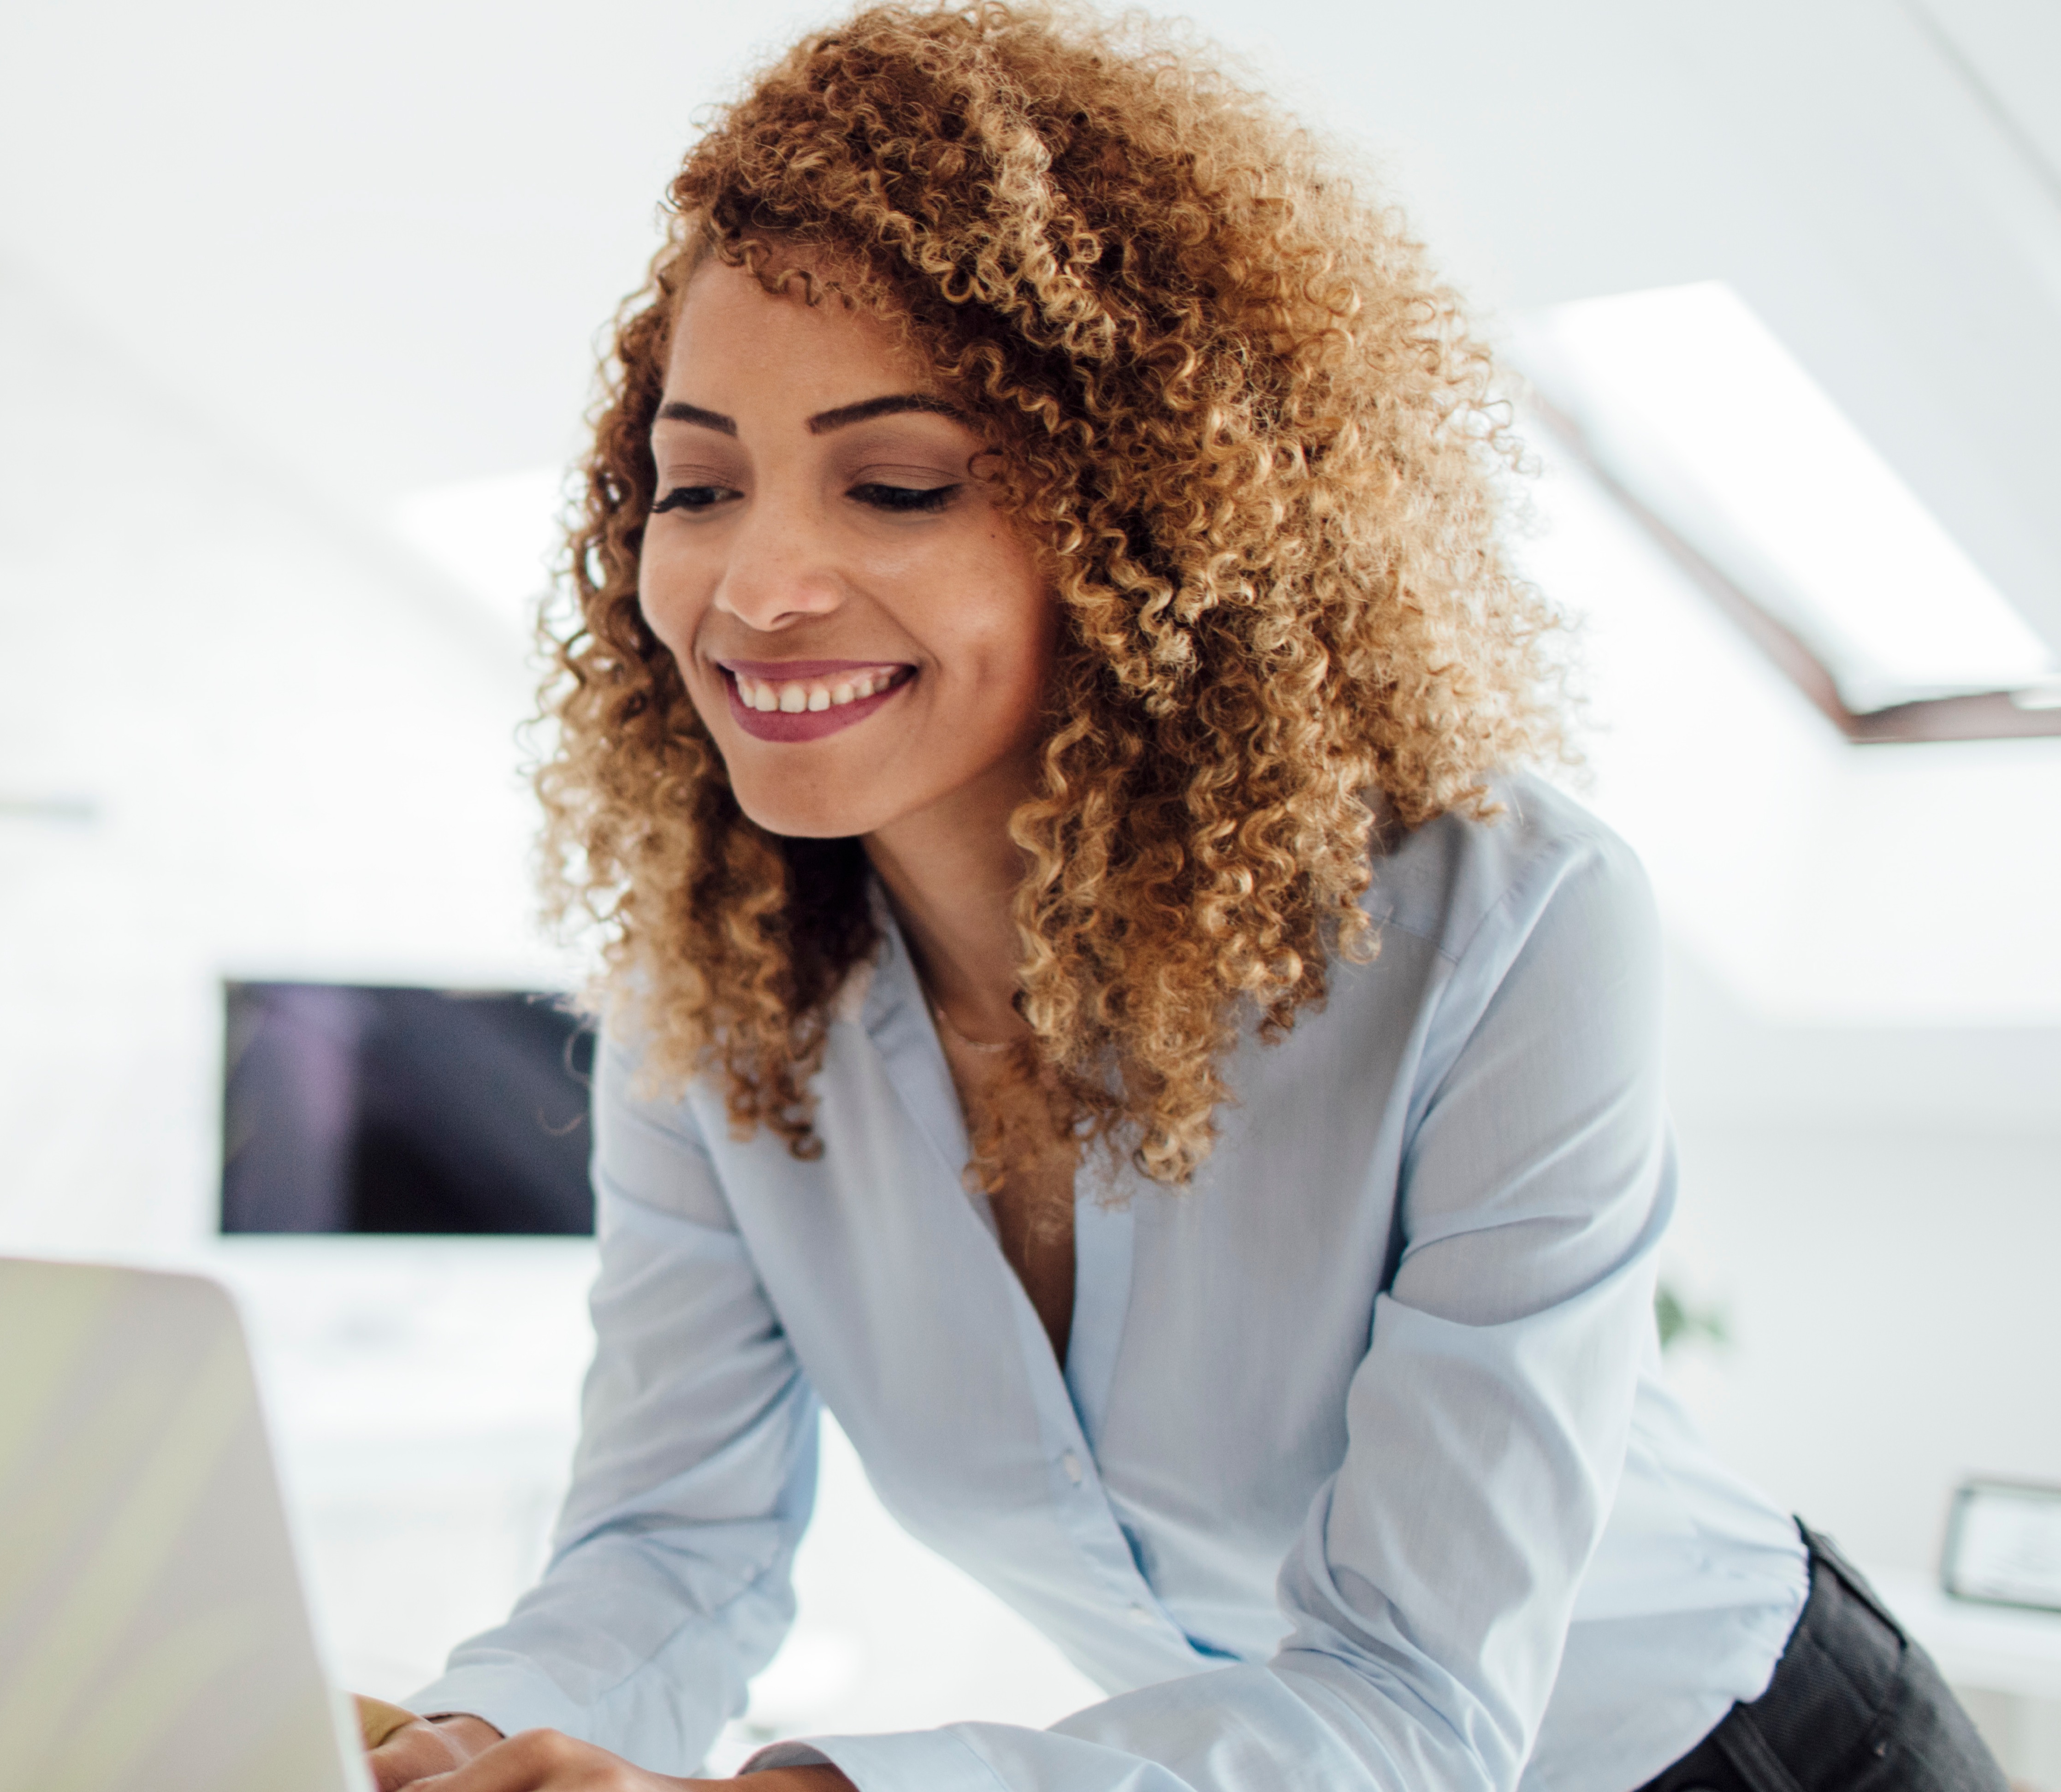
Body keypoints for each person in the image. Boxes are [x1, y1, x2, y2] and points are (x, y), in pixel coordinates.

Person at [358, 6, 2013, 1790]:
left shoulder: (1504, 924)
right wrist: (464, 1747)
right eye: (697, 488)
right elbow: (664, 1555)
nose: (754, 588)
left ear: (1142, 519)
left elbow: (1408, 1708)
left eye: (897, 484)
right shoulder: (715, 1010)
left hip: (1759, 1756)